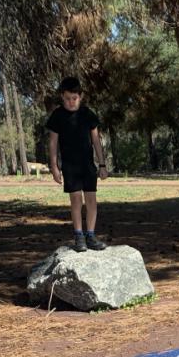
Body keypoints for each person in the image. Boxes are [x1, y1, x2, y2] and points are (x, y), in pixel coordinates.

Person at [47, 76, 108, 251]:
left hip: (87, 165)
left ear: (81, 96)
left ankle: (91, 235)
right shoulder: (57, 115)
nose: (71, 102)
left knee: (91, 199)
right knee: (75, 200)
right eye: (67, 99)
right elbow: (53, 142)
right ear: (61, 97)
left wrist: (102, 165)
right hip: (69, 166)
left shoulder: (88, 114)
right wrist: (54, 166)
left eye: (74, 98)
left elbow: (96, 141)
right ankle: (79, 235)